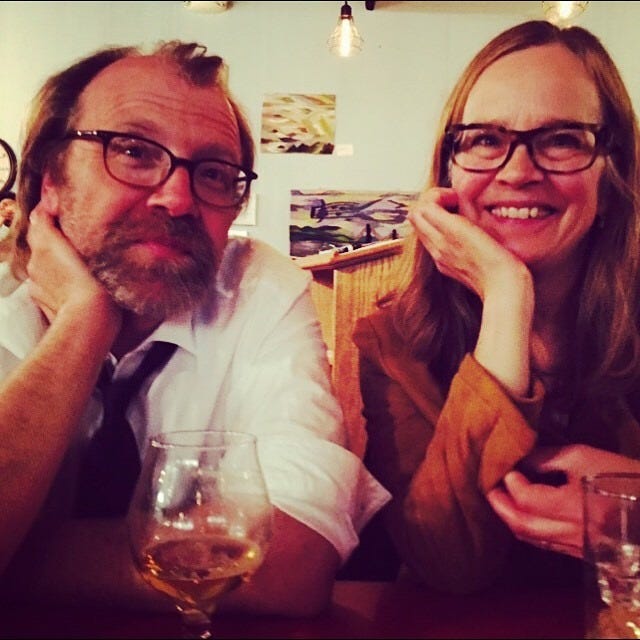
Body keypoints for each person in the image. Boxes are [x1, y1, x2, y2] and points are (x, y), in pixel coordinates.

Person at [0, 40, 390, 613]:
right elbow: (249, 559)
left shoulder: (260, 288)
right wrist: (82, 328)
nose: (178, 198)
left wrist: (14, 553)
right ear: (47, 179)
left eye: (213, 173)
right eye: (133, 152)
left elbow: (293, 560)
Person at [353, 19, 640, 593]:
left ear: (613, 177)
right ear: (449, 171)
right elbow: (447, 562)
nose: (517, 172)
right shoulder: (392, 341)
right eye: (485, 139)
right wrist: (508, 295)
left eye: (561, 139)